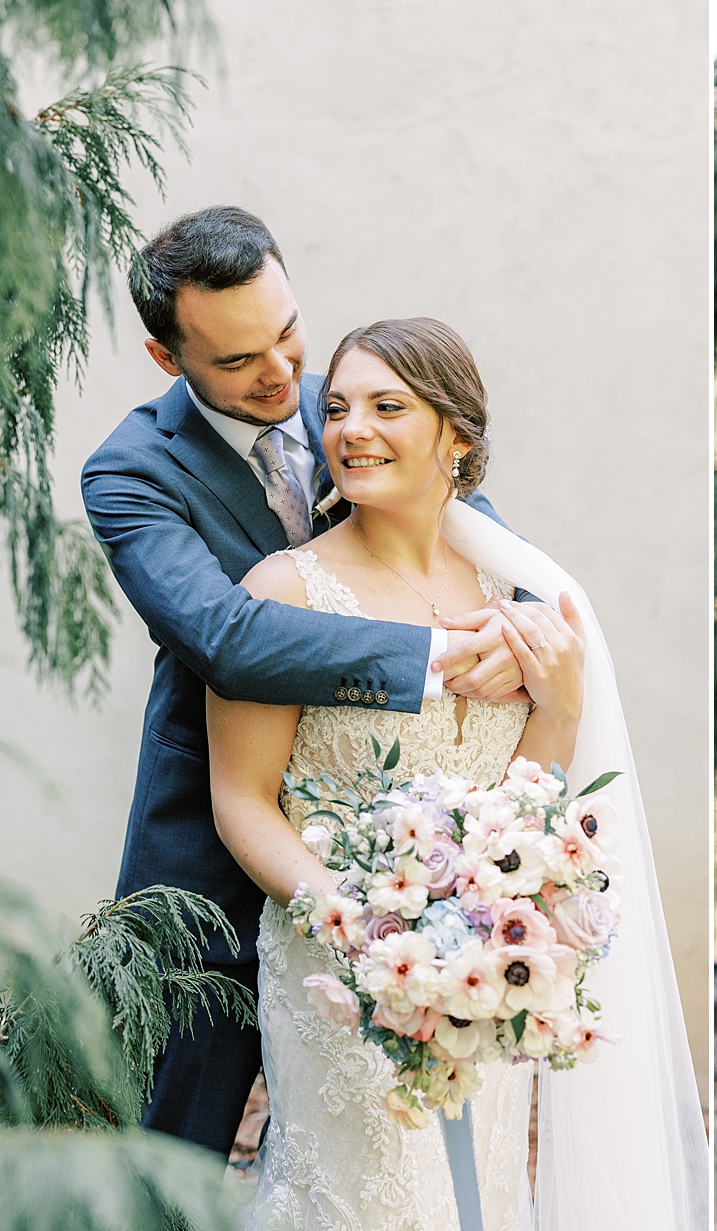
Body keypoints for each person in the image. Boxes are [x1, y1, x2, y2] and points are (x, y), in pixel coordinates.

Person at [206, 318, 708, 1230]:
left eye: (387, 407)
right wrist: (350, 922)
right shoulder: (283, 593)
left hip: (482, 967)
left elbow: (529, 803)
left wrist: (557, 709)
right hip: (336, 966)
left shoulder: (515, 605)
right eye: (339, 409)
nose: (351, 430)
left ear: (458, 441)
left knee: (473, 1197)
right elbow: (241, 800)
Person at [82, 208, 534, 1156]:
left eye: (287, 330)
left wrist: (512, 623)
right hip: (210, 858)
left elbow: (456, 518)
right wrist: (431, 653)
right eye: (240, 360)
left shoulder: (358, 404)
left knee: (379, 1148)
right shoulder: (130, 473)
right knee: (174, 1155)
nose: (285, 375)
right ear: (171, 361)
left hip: (391, 865)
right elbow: (227, 638)